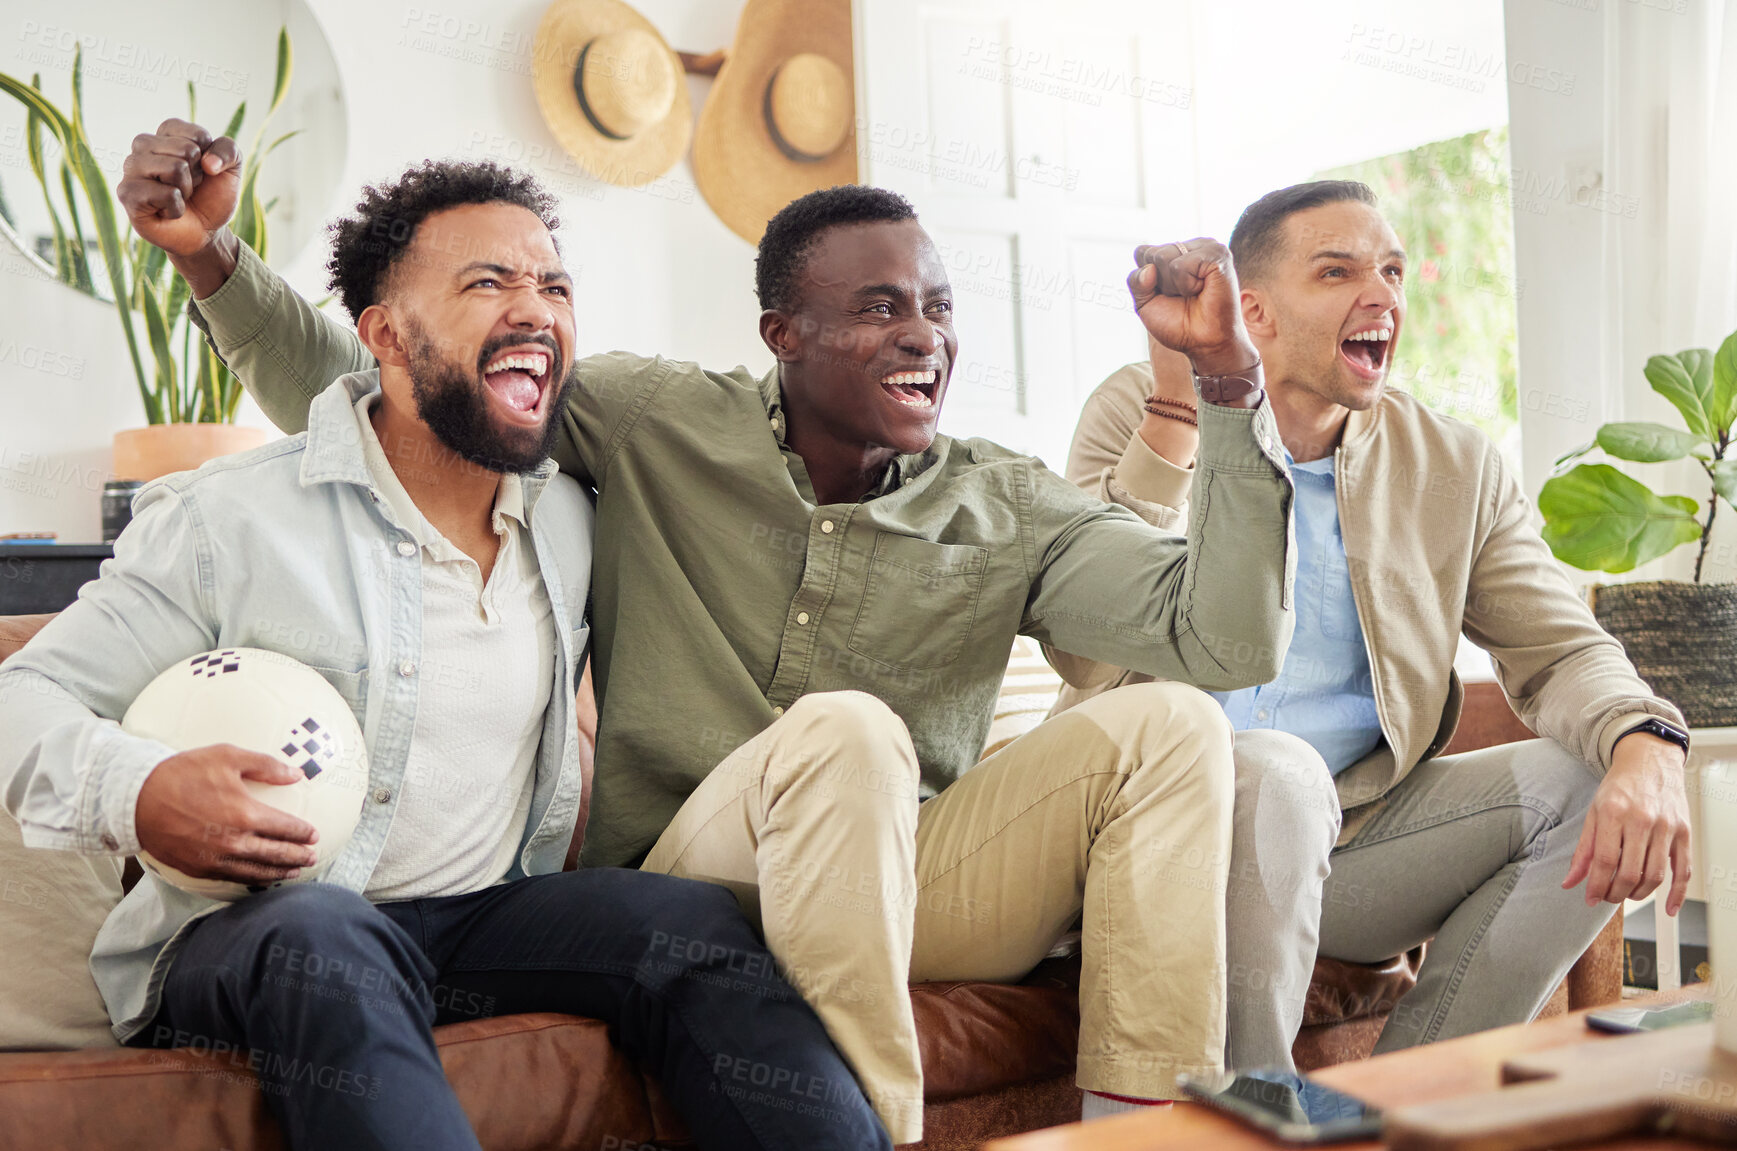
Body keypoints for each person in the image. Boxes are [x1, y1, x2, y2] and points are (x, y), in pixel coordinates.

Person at [117, 119, 1298, 1132]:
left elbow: (1226, 641)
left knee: (1173, 723)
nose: (924, 334)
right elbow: (417, 390)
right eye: (879, 306)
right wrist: (214, 262)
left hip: (903, 875)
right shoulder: (654, 419)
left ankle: (1151, 1136)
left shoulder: (1008, 497)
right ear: (782, 333)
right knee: (846, 731)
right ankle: (864, 1135)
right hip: (697, 875)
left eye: (938, 309)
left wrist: (1232, 388)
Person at [0, 160, 893, 1151]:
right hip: (264, 936)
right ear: (382, 336)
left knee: (686, 929)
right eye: (487, 284)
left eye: (553, 285)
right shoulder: (229, 519)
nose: (536, 309)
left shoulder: (569, 517)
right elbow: (23, 698)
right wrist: (143, 787)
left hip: (482, 922)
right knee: (325, 937)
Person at [1046, 179, 1693, 1071]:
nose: (1382, 293)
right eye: (1337, 270)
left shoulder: (1452, 465)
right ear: (1255, 311)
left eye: (1390, 269)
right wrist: (1183, 410)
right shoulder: (1144, 404)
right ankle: (1258, 1113)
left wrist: (1647, 739)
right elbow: (1083, 646)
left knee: (1582, 782)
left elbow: (1560, 646)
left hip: (1348, 837)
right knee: (1275, 772)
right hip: (1159, 835)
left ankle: (1408, 1105)